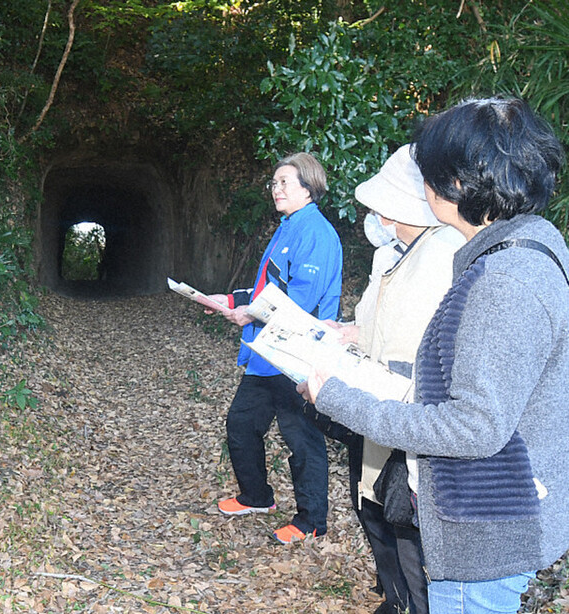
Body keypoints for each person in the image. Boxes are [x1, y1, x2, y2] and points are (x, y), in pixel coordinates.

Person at [299, 97, 569, 614]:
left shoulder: (505, 280)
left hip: (487, 526)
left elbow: (472, 428)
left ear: (457, 184)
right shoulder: (519, 251)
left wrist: (339, 398)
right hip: (495, 506)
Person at [331, 144, 464, 614]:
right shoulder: (404, 254)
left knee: (407, 522)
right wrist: (347, 334)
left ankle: (417, 603)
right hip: (383, 410)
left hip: (406, 415)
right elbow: (380, 324)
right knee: (380, 511)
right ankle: (400, 599)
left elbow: (418, 352)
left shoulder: (440, 254)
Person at [207, 152, 342, 544]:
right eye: (274, 182)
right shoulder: (288, 227)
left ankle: (311, 521)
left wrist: (251, 314)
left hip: (296, 356)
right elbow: (272, 287)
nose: (276, 189)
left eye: (285, 182)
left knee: (301, 439)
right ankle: (257, 497)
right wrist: (232, 301)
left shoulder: (314, 231)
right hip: (268, 354)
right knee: (241, 424)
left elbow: (300, 299)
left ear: (309, 186)